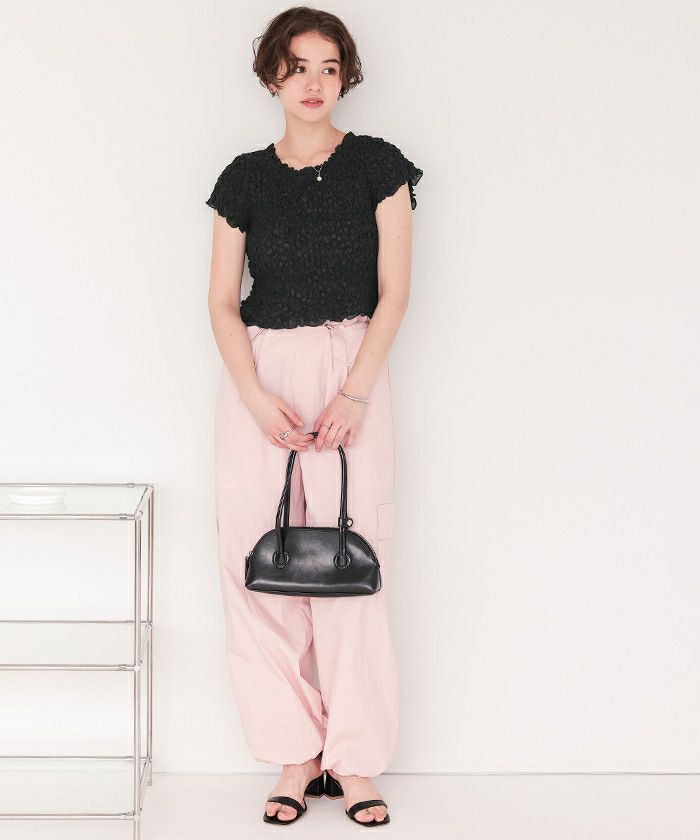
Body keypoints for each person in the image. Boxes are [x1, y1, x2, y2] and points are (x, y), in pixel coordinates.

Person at [205, 6, 422, 827]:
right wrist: (255, 395)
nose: (314, 82)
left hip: (352, 367)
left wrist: (355, 392)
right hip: (259, 375)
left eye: (329, 67)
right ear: (271, 74)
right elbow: (221, 302)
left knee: (354, 560)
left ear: (346, 76)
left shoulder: (378, 167)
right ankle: (296, 755)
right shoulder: (242, 179)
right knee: (253, 564)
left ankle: (355, 762)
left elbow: (395, 293)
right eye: (297, 66)